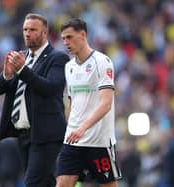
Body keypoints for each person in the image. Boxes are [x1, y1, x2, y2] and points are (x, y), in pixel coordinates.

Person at [0, 13, 70, 187]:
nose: (27, 33)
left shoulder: (57, 58)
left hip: (46, 134)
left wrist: (23, 70)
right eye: (25, 29)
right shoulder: (22, 57)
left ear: (44, 33)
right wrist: (7, 74)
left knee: (33, 182)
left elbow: (50, 88)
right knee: (45, 182)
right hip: (24, 135)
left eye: (33, 30)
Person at [55, 18, 122, 187]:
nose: (66, 42)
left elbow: (106, 103)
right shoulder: (69, 66)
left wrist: (83, 128)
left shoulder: (102, 62)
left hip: (98, 141)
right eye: (63, 39)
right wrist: (69, 128)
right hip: (73, 141)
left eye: (69, 37)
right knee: (62, 184)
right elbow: (72, 103)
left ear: (83, 35)